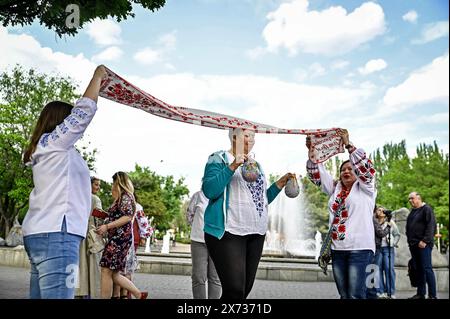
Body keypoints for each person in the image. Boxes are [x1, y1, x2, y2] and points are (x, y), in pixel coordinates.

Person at [21, 65, 107, 299]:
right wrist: (97, 76)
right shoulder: (55, 144)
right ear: (61, 122)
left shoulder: (46, 148)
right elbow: (83, 113)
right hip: (58, 234)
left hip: (41, 233)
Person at [202, 127, 294, 299]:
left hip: (255, 232)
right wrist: (233, 165)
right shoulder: (218, 158)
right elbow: (210, 191)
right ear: (234, 137)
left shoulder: (256, 165)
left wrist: (279, 184)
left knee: (243, 291)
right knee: (235, 290)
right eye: (246, 135)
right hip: (228, 232)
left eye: (253, 136)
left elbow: (260, 201)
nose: (251, 139)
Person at [306, 128, 376, 299]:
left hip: (360, 249)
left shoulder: (367, 188)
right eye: (343, 169)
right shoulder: (335, 189)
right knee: (344, 295)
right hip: (338, 250)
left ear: (357, 173)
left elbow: (366, 171)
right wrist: (312, 150)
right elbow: (316, 175)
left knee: (356, 295)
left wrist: (348, 145)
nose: (346, 171)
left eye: (350, 169)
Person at [95, 171, 148, 299]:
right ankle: (138, 294)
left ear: (118, 182)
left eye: (113, 182)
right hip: (119, 238)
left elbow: (127, 217)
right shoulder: (124, 197)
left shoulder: (125, 197)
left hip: (119, 239)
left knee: (106, 270)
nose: (112, 185)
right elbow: (121, 216)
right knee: (114, 274)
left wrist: (107, 226)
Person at [186, 190, 221, 299]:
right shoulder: (198, 195)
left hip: (218, 241)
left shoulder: (225, 196)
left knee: (215, 277)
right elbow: (189, 215)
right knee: (198, 276)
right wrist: (199, 228)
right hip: (198, 241)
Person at [75, 176, 104, 298]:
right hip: (92, 236)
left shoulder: (78, 197)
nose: (98, 187)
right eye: (96, 184)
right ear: (89, 184)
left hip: (79, 234)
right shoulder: (95, 199)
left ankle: (79, 292)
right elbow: (99, 220)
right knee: (93, 268)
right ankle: (90, 294)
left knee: (80, 266)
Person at [406, 192, 437, 299]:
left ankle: (432, 295)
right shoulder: (412, 212)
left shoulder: (426, 209)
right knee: (418, 270)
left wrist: (425, 240)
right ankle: (421, 293)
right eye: (409, 199)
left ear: (419, 198)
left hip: (424, 245)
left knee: (427, 269)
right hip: (413, 245)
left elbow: (431, 226)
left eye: (412, 198)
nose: (410, 200)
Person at [373, 206, 400, 299]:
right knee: (378, 270)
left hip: (388, 249)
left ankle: (391, 292)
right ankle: (380, 291)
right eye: (379, 210)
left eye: (382, 210)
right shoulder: (374, 222)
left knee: (389, 269)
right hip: (378, 249)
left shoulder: (390, 222)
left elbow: (397, 234)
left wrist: (394, 243)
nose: (381, 211)